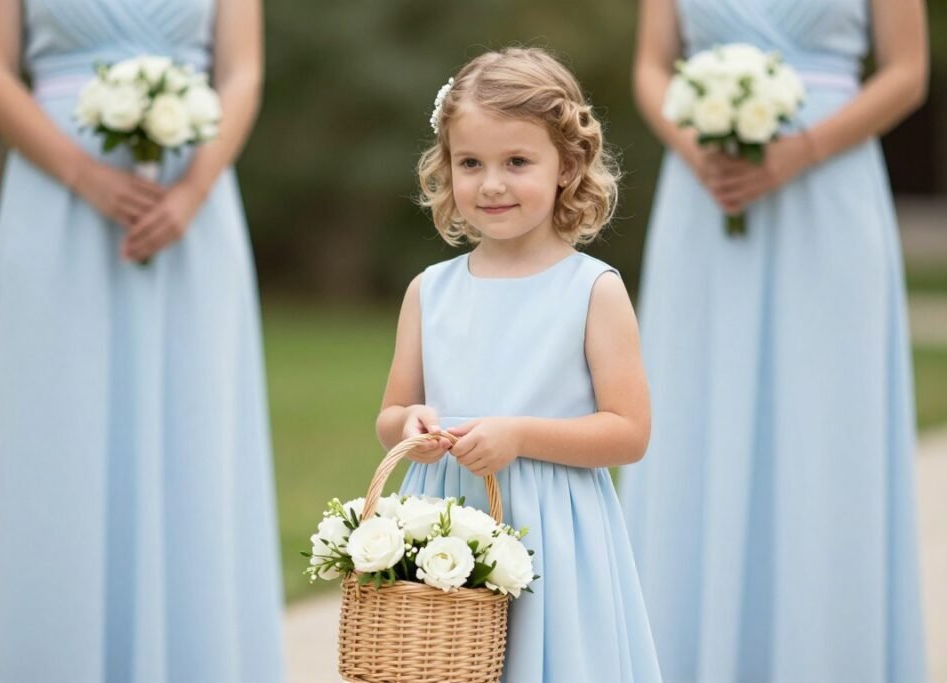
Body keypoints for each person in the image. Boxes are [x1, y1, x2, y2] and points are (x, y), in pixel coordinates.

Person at [0, 0, 284, 680]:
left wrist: (192, 191)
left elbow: (243, 74)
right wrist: (83, 173)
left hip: (193, 205)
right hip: (54, 202)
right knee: (54, 432)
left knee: (193, 430)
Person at [619, 0, 929, 680]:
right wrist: (692, 145)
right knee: (694, 404)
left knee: (825, 416)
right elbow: (649, 65)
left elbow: (908, 72)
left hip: (831, 188)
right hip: (707, 193)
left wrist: (802, 150)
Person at [376, 47, 662, 683]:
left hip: (551, 530)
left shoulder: (593, 290)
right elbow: (392, 413)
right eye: (470, 162)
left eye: (517, 162)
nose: (492, 183)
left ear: (567, 165)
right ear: (445, 168)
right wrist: (410, 426)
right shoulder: (431, 290)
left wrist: (521, 435)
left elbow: (629, 433)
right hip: (446, 520)